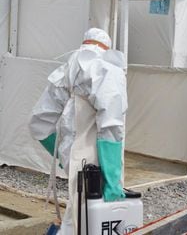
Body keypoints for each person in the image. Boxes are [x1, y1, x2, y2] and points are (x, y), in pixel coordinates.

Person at [29, 28, 128, 234]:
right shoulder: (107, 69)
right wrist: (112, 179)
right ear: (106, 48)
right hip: (95, 158)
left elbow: (38, 123)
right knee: (86, 219)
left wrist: (63, 155)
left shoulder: (67, 68)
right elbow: (111, 126)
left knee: (78, 211)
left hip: (72, 154)